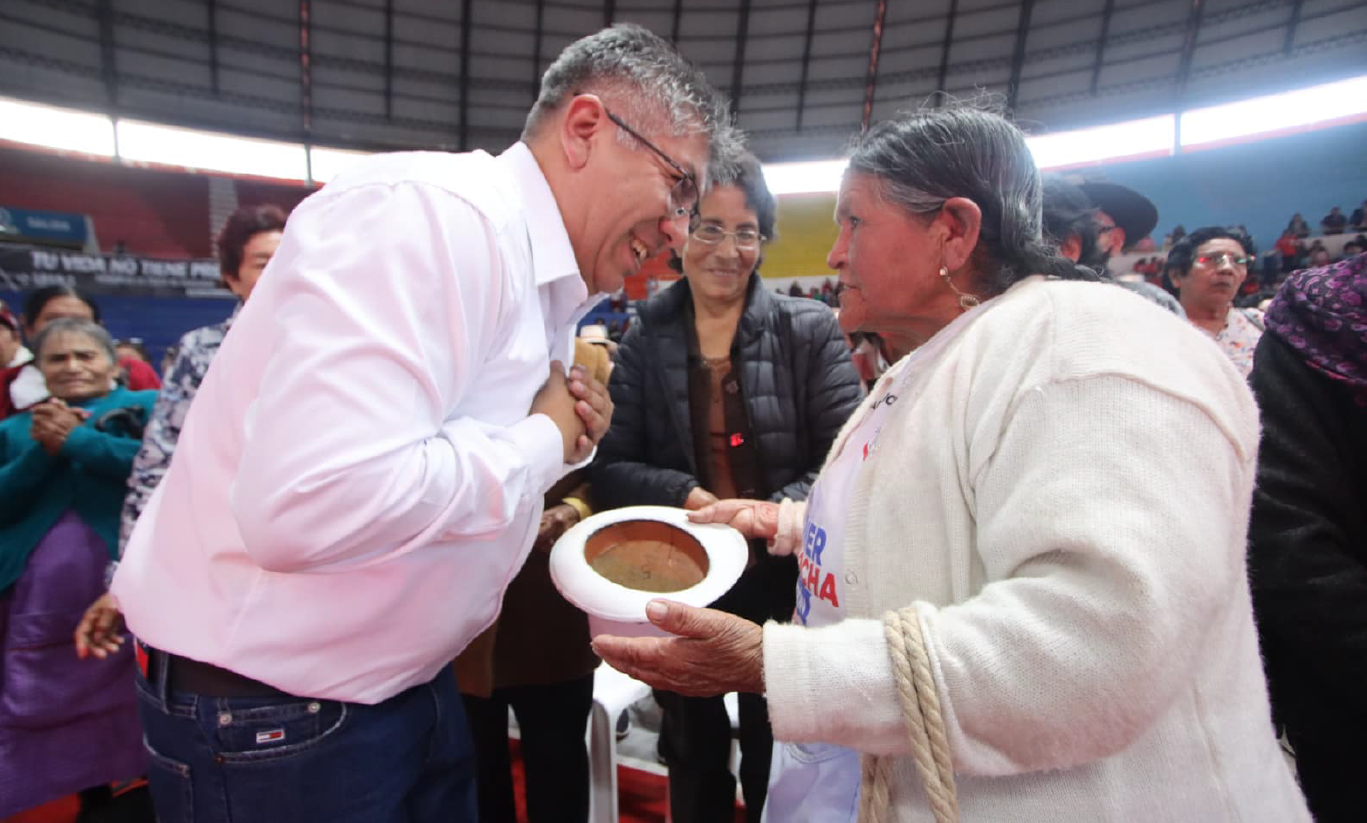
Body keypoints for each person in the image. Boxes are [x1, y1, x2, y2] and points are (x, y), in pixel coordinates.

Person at [592, 105, 1308, 822]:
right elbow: (949, 514)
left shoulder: (1089, 350)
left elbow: (1094, 647)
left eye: (854, 223)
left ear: (953, 230)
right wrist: (789, 519)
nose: (834, 254)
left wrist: (774, 666)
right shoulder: (951, 357)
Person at [92, 24, 731, 823]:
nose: (680, 231)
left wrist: (564, 434)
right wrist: (540, 442)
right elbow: (310, 502)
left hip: (393, 689)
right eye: (678, 187)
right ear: (585, 129)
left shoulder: (543, 282)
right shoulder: (432, 220)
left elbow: (441, 462)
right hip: (282, 715)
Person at [590, 151, 863, 823]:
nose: (726, 249)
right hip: (684, 572)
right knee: (691, 743)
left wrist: (766, 515)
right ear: (679, 231)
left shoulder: (810, 331)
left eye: (745, 232)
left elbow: (847, 460)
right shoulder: (644, 337)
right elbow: (611, 467)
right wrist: (687, 495)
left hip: (784, 572)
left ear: (762, 241)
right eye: (709, 227)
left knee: (780, 735)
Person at [76, 204, 287, 660]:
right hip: (224, 557)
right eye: (265, 263)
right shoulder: (203, 352)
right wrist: (127, 575)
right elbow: (158, 463)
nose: (285, 271)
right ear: (232, 278)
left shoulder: (337, 345)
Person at [0, 319, 157, 820]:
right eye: (57, 359)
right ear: (38, 369)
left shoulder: (150, 411)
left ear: (114, 365)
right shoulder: (14, 430)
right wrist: (44, 451)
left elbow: (165, 474)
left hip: (131, 592)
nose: (72, 367)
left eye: (85, 356)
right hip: (35, 606)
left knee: (135, 707)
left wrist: (79, 442)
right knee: (43, 704)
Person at [456, 335, 612, 823]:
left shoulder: (588, 362)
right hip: (460, 613)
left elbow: (618, 465)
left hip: (550, 605)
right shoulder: (456, 353)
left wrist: (575, 507)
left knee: (558, 765)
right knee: (477, 775)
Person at [1246, 252, 1367, 823]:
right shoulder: (1322, 320)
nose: (1224, 269)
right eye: (1208, 258)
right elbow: (1289, 545)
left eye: (1232, 259)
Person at [3, 287, 159, 418]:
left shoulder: (139, 379)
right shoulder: (7, 384)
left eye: (80, 321)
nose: (72, 368)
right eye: (53, 320)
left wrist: (77, 438)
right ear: (28, 328)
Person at [1040, 175, 1183, 316]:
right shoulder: (1029, 305)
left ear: (1115, 241)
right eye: (1048, 228)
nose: (1062, 241)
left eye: (1086, 229)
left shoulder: (1152, 304)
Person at [1167, 227, 1264, 377]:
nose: (1227, 268)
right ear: (1176, 276)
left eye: (1238, 260)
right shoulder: (1158, 330)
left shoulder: (1261, 325)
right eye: (1211, 259)